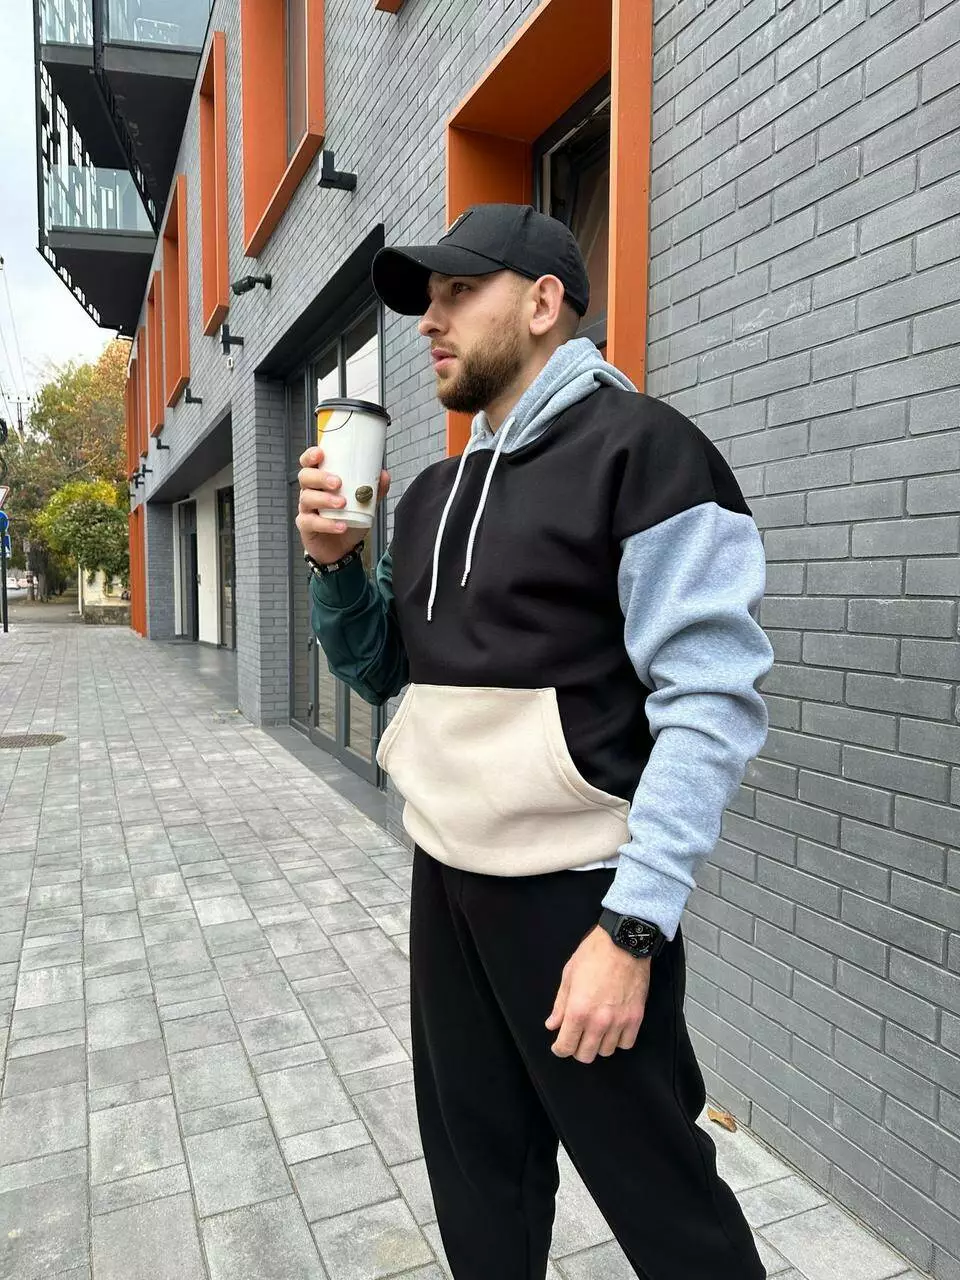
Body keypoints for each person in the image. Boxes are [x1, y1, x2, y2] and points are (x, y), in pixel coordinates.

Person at [297, 203, 773, 1280]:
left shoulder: (646, 452)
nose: (431, 319)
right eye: (428, 299)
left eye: (460, 291)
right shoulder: (431, 493)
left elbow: (710, 701)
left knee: (663, 1200)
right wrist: (334, 565)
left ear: (545, 301)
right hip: (445, 878)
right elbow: (384, 671)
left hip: (582, 899)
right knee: (479, 1183)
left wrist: (633, 930)